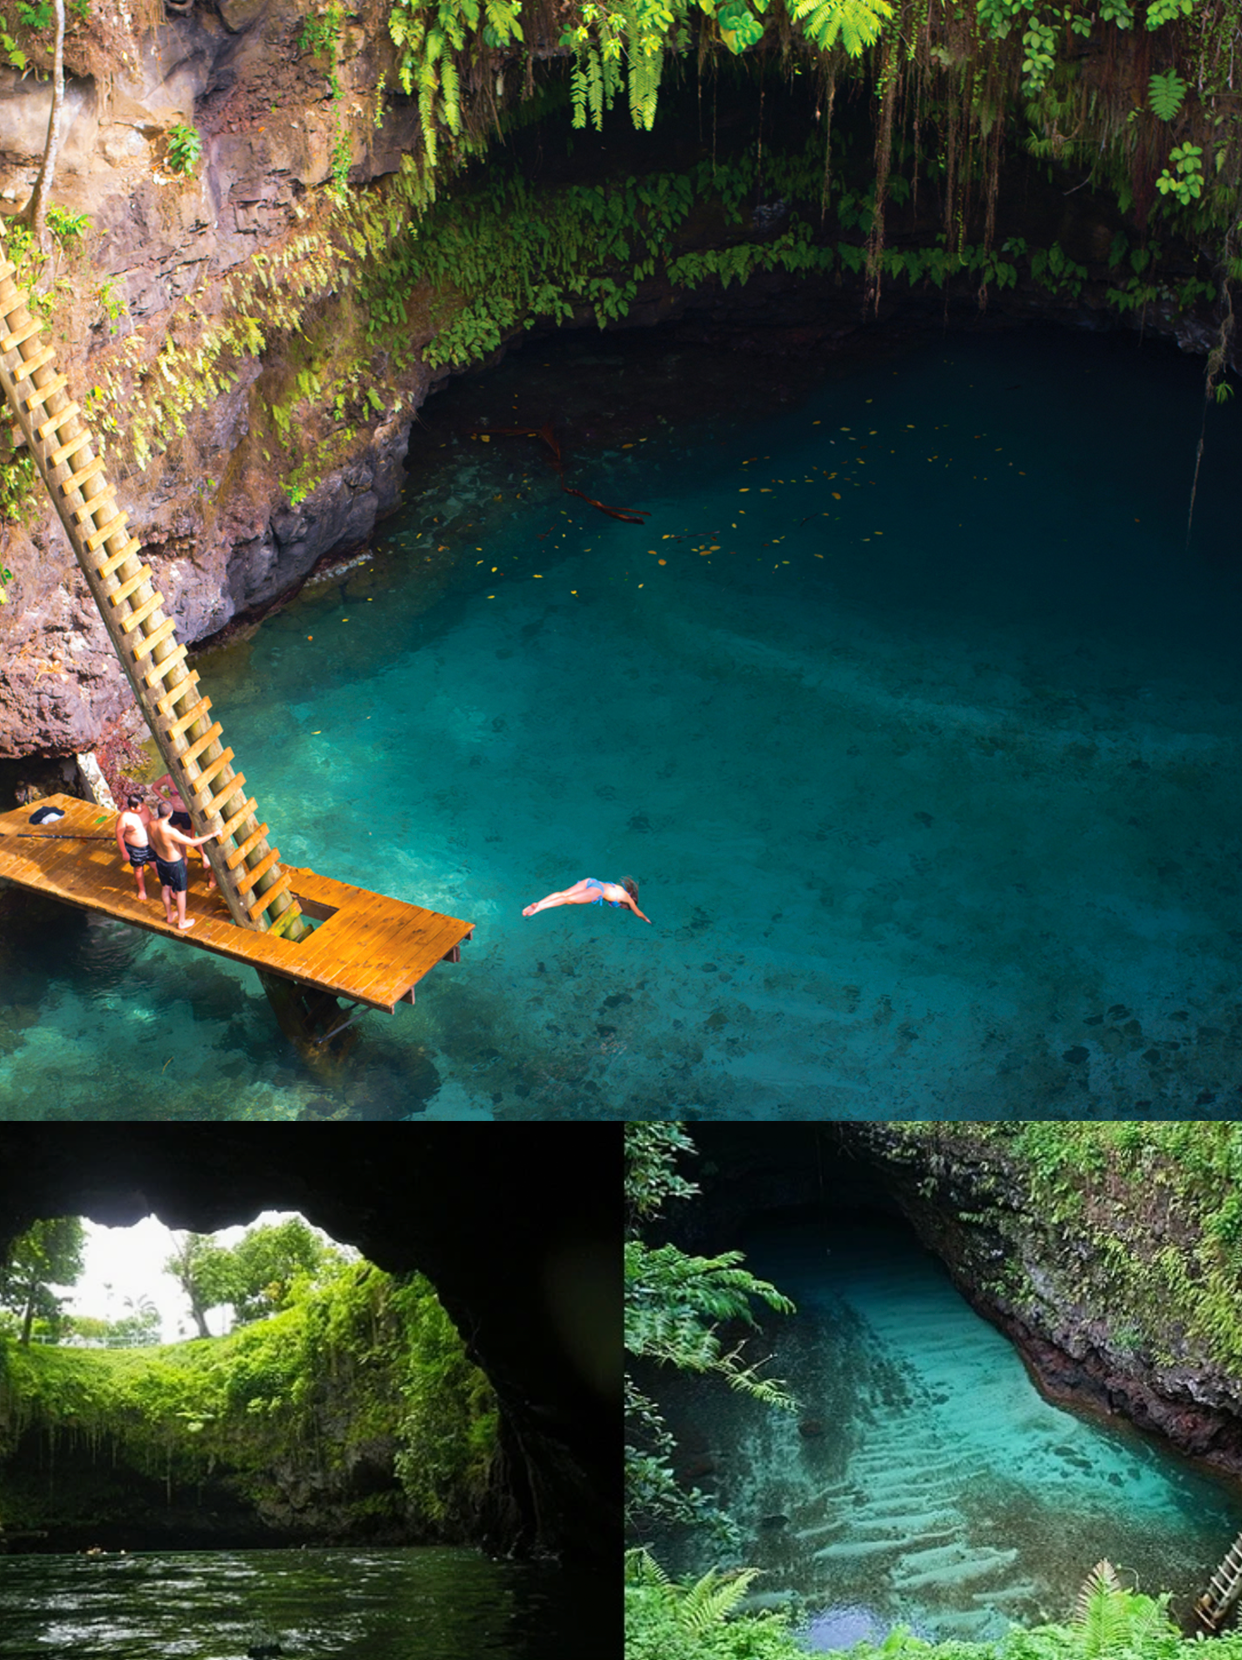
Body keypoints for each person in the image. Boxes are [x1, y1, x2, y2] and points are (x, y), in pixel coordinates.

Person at [148, 801, 221, 931]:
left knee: (165, 887)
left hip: (160, 860)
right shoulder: (170, 831)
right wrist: (212, 834)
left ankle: (170, 915)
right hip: (175, 863)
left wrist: (159, 851)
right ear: (170, 814)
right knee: (181, 892)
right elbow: (191, 842)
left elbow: (151, 843)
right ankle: (181, 922)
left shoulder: (151, 824)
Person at [152, 771, 217, 891]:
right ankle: (185, 857)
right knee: (178, 836)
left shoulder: (188, 779)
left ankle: (204, 855)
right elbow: (154, 787)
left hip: (188, 814)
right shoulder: (167, 777)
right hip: (174, 813)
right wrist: (166, 799)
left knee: (191, 838)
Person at [522, 877, 651, 923]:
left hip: (591, 881)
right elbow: (638, 912)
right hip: (598, 891)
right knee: (568, 899)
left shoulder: (620, 889)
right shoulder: (628, 899)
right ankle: (539, 908)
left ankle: (539, 903)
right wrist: (645, 919)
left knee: (563, 894)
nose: (622, 907)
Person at [115, 792, 154, 901]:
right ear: (132, 807)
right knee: (138, 869)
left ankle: (168, 887)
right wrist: (124, 852)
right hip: (135, 848)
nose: (142, 807)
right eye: (139, 806)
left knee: (156, 865)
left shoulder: (145, 809)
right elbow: (119, 836)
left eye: (142, 804)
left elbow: (152, 819)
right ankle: (142, 889)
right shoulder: (125, 817)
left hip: (150, 844)